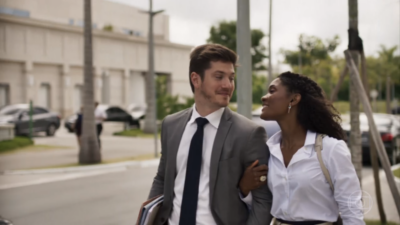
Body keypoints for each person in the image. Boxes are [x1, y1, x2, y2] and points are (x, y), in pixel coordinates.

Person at [148, 44, 273, 225]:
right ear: (196, 79)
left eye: (231, 78)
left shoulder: (249, 133)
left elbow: (263, 200)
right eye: (219, 77)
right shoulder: (171, 125)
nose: (227, 85)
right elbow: (162, 178)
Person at [239, 72, 365, 225]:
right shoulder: (270, 150)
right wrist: (245, 188)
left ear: (294, 99)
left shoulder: (330, 149)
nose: (264, 97)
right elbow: (265, 204)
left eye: (272, 91)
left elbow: (351, 208)